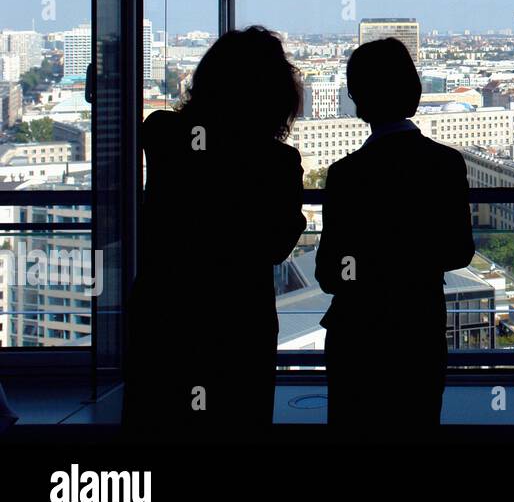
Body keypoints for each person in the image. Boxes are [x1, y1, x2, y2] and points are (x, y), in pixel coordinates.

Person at [123, 26, 306, 440]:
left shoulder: (163, 133)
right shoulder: (277, 162)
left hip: (164, 314)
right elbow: (275, 246)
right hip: (237, 323)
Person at [315, 37, 474, 439]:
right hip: (418, 333)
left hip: (357, 338)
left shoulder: (345, 175)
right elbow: (459, 251)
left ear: (358, 101)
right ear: (415, 93)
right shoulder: (445, 164)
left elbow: (329, 274)